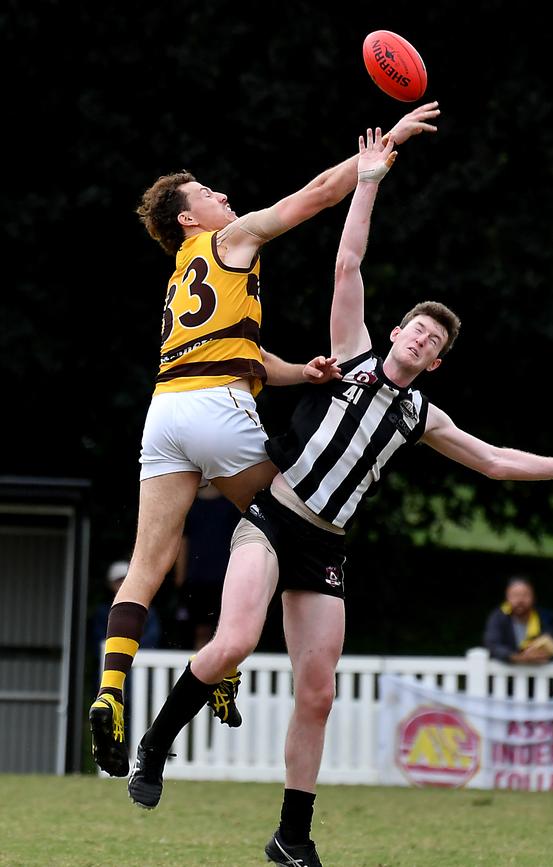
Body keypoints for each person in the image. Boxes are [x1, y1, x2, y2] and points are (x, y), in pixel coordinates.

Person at [126, 129, 553, 866]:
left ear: (435, 361)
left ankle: (291, 835)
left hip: (325, 544)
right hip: (272, 520)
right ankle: (154, 745)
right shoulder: (355, 350)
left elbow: (494, 461)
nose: (422, 342)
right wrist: (366, 179)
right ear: (396, 330)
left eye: (434, 343)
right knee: (232, 642)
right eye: (418, 329)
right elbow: (348, 261)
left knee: (319, 692)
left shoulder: (421, 415)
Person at [88, 101, 441, 779]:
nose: (222, 194)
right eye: (207, 193)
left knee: (147, 562)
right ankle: (225, 661)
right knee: (285, 520)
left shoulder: (182, 271)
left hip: (166, 413)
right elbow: (312, 197)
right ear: (189, 218)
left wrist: (297, 370)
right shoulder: (234, 236)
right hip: (219, 412)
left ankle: (110, 689)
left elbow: (236, 353)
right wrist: (379, 156)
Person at [173, 486, 241, 650]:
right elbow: (183, 542)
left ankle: (225, 671)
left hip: (226, 576)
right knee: (201, 630)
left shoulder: (232, 505)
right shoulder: (190, 505)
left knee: (228, 630)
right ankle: (202, 671)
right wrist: (180, 576)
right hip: (197, 577)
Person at [483, 576, 553, 664]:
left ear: (533, 597)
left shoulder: (544, 616)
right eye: (515, 595)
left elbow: (552, 640)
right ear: (507, 597)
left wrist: (540, 652)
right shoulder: (498, 616)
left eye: (525, 595)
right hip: (506, 673)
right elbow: (493, 645)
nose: (520, 600)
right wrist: (516, 657)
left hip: (538, 674)